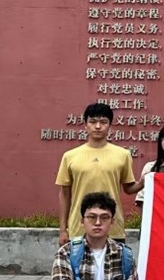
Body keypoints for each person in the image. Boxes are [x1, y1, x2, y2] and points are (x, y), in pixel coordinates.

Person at [55, 103, 138, 245]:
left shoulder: (123, 155)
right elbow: (64, 193)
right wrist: (63, 229)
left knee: (114, 261)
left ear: (110, 125)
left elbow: (129, 188)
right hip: (79, 228)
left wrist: (146, 181)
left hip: (113, 228)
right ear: (85, 125)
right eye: (93, 122)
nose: (98, 126)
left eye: (103, 122)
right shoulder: (70, 156)